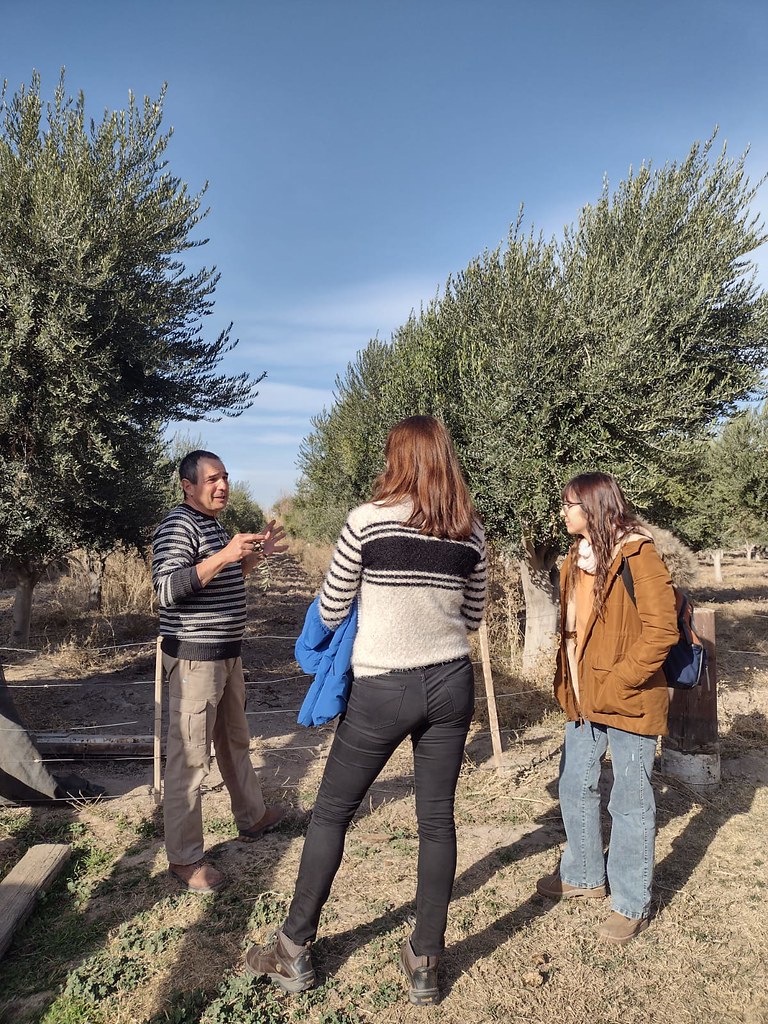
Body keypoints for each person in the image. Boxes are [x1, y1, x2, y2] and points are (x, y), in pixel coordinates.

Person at [245, 416, 487, 1005]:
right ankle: (427, 960)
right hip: (453, 683)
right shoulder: (469, 530)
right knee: (437, 820)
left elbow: (331, 607)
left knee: (330, 813)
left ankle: (293, 949)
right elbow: (474, 617)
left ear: (396, 458)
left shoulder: (366, 520)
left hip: (384, 688)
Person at [536, 472, 679, 944]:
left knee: (629, 799)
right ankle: (582, 876)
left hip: (626, 698)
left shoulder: (639, 554)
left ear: (593, 506)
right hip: (583, 696)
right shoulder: (573, 561)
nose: (563, 512)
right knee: (574, 784)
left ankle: (631, 901)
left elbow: (662, 631)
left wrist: (621, 679)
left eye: (569, 504)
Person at [152, 450, 289, 893]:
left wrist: (252, 558)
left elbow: (223, 578)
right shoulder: (179, 525)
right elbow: (167, 589)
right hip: (195, 658)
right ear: (188, 485)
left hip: (227, 655)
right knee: (190, 759)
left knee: (234, 742)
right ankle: (184, 860)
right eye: (212, 478)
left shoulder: (213, 526)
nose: (222, 485)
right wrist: (227, 553)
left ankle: (252, 818)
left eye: (226, 477)